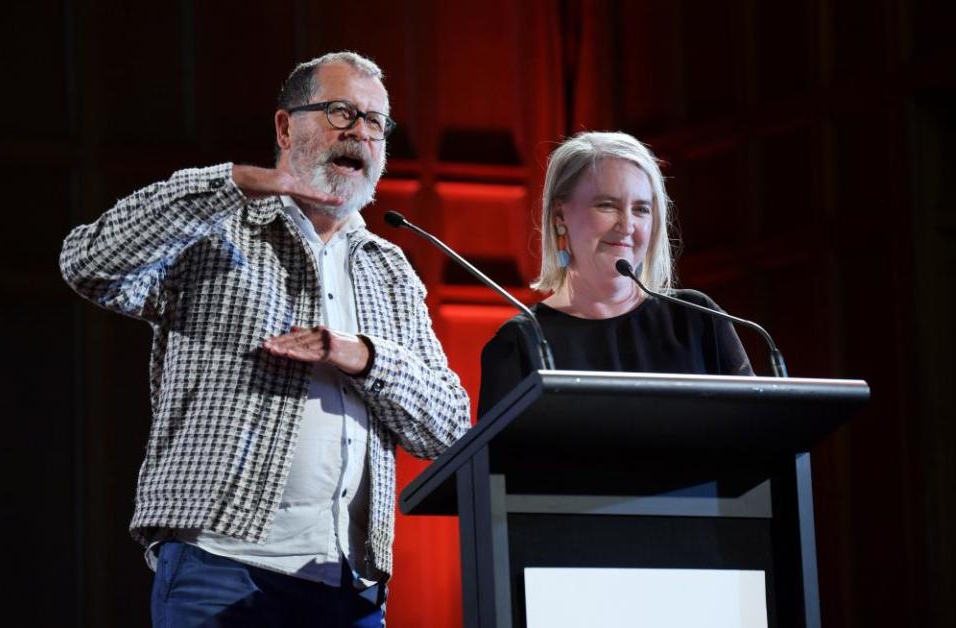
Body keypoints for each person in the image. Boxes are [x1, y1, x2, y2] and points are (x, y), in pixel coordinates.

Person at [60, 51, 470, 627]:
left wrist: (363, 357)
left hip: (349, 586)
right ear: (285, 126)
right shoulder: (215, 230)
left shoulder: (389, 269)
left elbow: (449, 427)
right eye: (339, 111)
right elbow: (90, 264)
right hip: (220, 568)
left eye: (375, 122)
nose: (360, 131)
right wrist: (231, 184)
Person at [478, 131, 753, 415]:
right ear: (560, 215)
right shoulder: (520, 342)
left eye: (641, 209)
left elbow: (757, 431)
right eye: (607, 205)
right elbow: (500, 458)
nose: (627, 226)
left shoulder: (696, 319)